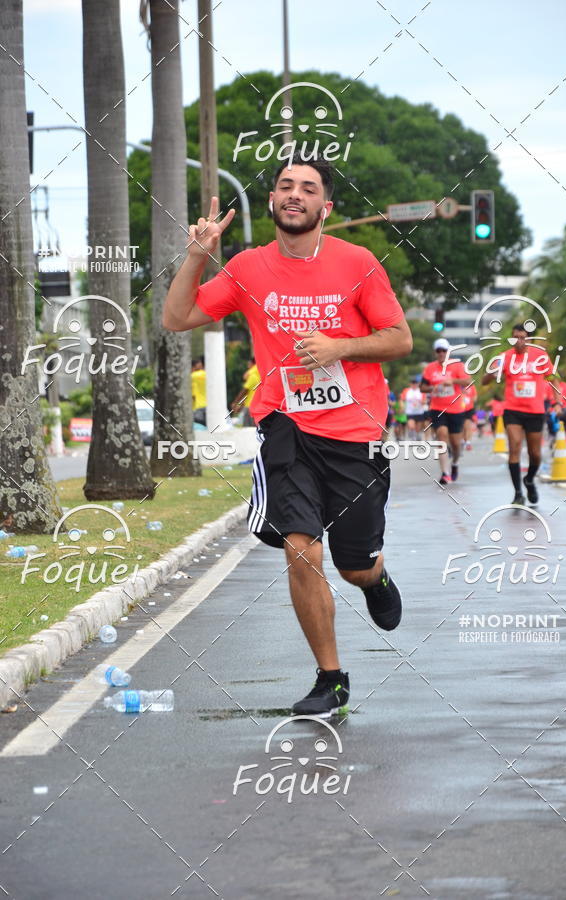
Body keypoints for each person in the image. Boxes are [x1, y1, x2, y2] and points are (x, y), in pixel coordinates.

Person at [163, 154, 413, 718]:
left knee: (352, 565)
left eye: (307, 188)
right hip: (286, 426)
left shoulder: (358, 262)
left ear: (327, 206)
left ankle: (373, 578)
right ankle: (332, 679)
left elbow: (399, 339)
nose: (294, 195)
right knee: (301, 550)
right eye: (284, 186)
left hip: (355, 432)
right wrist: (196, 257)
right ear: (274, 201)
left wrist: (340, 346)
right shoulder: (249, 268)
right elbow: (177, 318)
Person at [482, 323, 552, 505]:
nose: (519, 341)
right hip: (513, 410)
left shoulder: (540, 356)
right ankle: (518, 493)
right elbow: (484, 381)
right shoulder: (504, 357)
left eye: (523, 338)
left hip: (535, 411)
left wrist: (558, 401)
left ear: (529, 339)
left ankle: (529, 480)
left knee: (534, 453)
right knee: (514, 449)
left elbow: (552, 378)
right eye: (515, 338)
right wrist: (492, 372)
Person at [421, 338, 470, 484]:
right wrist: (432, 388)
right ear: (435, 353)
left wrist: (453, 381)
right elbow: (422, 387)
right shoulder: (430, 368)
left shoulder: (457, 366)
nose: (441, 353)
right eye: (438, 351)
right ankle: (445, 473)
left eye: (444, 350)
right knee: (441, 436)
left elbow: (468, 381)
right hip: (437, 408)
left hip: (455, 409)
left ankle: (454, 463)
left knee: (456, 444)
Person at [231, 357, 260, 426]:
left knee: (249, 429)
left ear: (253, 364)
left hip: (250, 407)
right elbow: (250, 394)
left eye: (249, 364)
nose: (248, 366)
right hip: (257, 405)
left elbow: (244, 391)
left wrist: (236, 402)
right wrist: (241, 405)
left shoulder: (253, 376)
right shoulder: (259, 375)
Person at [461, 383, 477, 450]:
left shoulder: (471, 386)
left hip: (469, 409)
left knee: (467, 426)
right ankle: (463, 441)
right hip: (459, 409)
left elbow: (475, 397)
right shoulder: (457, 385)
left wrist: (471, 400)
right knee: (461, 427)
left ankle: (468, 442)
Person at [191, 357, 206, 426]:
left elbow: (192, 395)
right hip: (210, 407)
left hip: (198, 408)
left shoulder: (192, 376)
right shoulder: (208, 374)